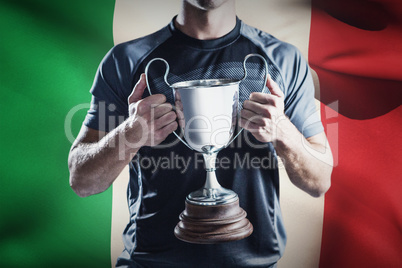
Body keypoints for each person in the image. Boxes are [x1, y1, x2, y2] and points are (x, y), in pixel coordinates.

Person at [68, 0, 333, 267]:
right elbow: (82, 180)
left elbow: (319, 181)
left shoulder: (282, 59)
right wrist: (131, 133)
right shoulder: (127, 59)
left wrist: (282, 132)